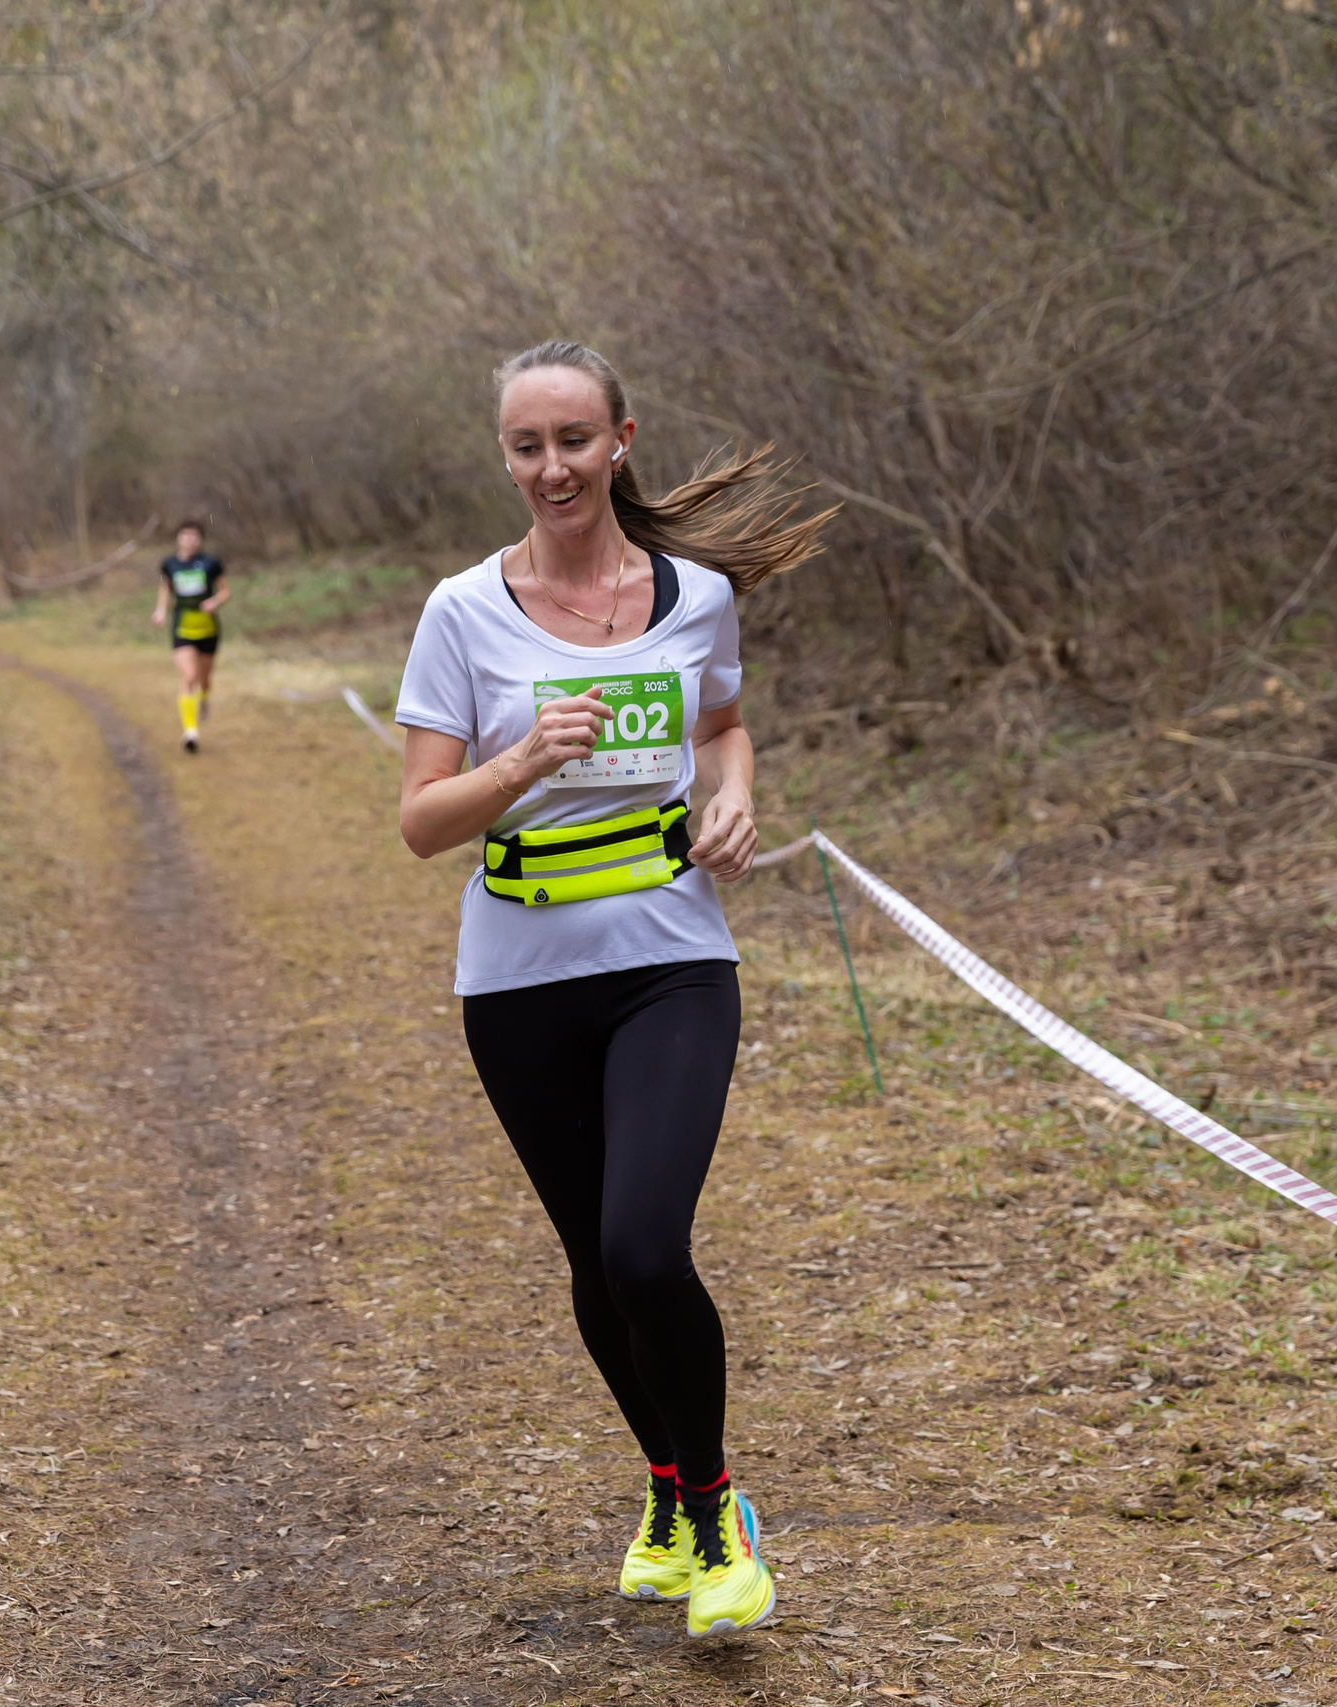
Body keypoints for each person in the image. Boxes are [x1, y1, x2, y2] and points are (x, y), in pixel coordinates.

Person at [393, 339, 832, 1638]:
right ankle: (664, 1486)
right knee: (594, 1260)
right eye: (526, 446)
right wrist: (522, 754)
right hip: (519, 971)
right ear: (505, 458)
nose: (552, 467)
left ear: (621, 439)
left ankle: (718, 1512)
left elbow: (722, 725)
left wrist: (737, 795)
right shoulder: (461, 612)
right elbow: (421, 821)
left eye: (573, 439)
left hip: (671, 955)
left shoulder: (693, 594)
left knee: (646, 1240)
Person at [151, 518, 228, 751]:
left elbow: (225, 591)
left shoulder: (210, 563)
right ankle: (191, 732)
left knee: (204, 680)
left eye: (194, 536)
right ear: (178, 538)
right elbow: (165, 589)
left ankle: (203, 698)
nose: (190, 540)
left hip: (208, 628)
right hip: (182, 627)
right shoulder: (169, 564)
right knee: (189, 677)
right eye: (185, 536)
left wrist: (214, 601)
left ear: (200, 540)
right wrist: (161, 610)